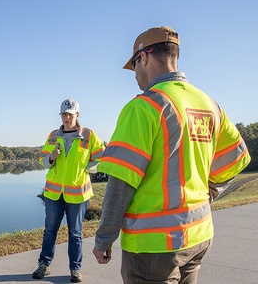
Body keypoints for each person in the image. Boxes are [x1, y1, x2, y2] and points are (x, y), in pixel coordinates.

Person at [93, 26, 251, 284]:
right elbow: (236, 159)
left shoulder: (144, 107)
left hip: (154, 247)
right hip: (199, 237)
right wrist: (209, 193)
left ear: (143, 57)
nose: (134, 75)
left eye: (133, 65)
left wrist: (104, 239)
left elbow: (121, 181)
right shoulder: (208, 104)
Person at [32, 99, 105, 283]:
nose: (67, 118)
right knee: (50, 230)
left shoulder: (88, 135)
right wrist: (51, 157)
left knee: (75, 233)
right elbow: (42, 160)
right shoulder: (53, 135)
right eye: (64, 115)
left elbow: (101, 158)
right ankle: (44, 265)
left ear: (77, 115)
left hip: (78, 194)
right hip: (53, 194)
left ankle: (75, 269)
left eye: (70, 115)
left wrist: (86, 169)